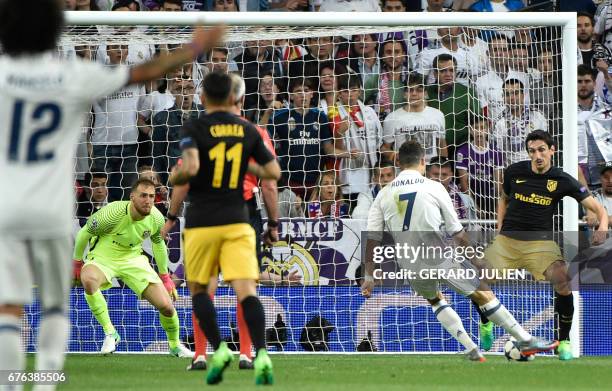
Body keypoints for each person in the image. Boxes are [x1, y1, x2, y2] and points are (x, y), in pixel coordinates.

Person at [0, 0, 223, 384]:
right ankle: (44, 382)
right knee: (55, 307)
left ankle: (8, 380)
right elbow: (143, 72)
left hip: (9, 207)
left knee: (9, 307)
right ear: (56, 32)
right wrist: (193, 48)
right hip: (51, 211)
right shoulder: (71, 74)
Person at [361, 140, 560, 361]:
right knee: (484, 294)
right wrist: (477, 260)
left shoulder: (383, 194)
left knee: (435, 300)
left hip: (408, 262)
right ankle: (525, 339)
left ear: (398, 162)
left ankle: (471, 349)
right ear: (423, 162)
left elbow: (372, 239)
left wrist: (369, 276)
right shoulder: (433, 186)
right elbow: (457, 233)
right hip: (438, 254)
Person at [162, 73, 287, 371]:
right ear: (239, 98)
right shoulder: (252, 131)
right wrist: (273, 223)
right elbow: (271, 180)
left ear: (203, 98)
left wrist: (170, 217)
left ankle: (203, 353)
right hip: (241, 213)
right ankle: (250, 353)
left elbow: (182, 178)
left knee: (203, 287)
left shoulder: (194, 128)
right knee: (246, 286)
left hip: (201, 215)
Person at [475, 130, 608, 359]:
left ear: (552, 151)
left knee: (562, 280)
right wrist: (499, 230)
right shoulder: (514, 172)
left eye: (541, 150)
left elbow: (599, 209)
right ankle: (486, 322)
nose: (537, 155)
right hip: (508, 241)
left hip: (540, 244)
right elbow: (504, 199)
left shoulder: (563, 179)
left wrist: (602, 228)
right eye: (532, 151)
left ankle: (564, 341)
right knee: (478, 279)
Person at [73, 179, 192, 357]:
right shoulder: (113, 212)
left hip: (133, 259)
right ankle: (111, 333)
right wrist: (77, 263)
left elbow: (158, 244)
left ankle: (175, 346)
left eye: (151, 196)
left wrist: (165, 278)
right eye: (143, 195)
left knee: (166, 306)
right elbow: (84, 233)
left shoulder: (156, 217)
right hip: (104, 256)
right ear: (132, 197)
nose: (148, 200)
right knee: (89, 280)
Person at [382, 73, 446, 164]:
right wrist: (393, 155)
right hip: (404, 171)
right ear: (404, 94)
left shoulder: (438, 115)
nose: (414, 94)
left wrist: (443, 166)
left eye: (419, 90)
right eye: (410, 90)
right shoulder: (392, 118)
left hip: (430, 172)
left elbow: (442, 145)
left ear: (426, 94)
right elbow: (384, 147)